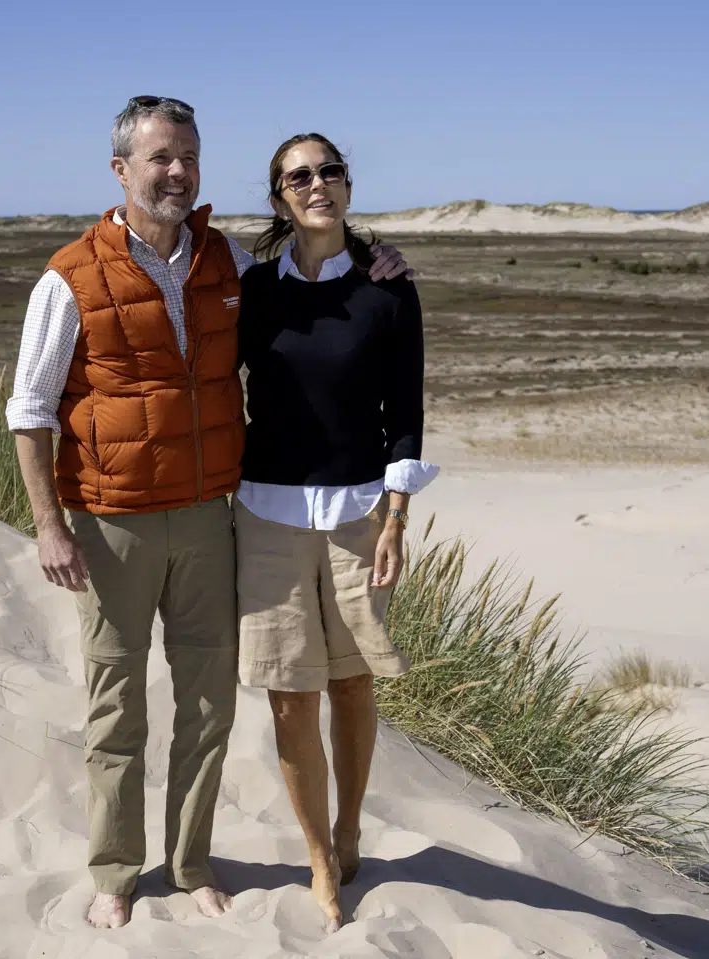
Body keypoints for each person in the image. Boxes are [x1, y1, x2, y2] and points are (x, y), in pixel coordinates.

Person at [5, 98, 408, 930]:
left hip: (209, 516)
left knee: (208, 704)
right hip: (112, 520)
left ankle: (190, 863)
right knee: (118, 703)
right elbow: (29, 407)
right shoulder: (69, 273)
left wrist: (378, 258)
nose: (177, 170)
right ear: (121, 170)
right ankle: (116, 873)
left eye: (187, 155)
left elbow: (319, 281)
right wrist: (48, 523)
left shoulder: (223, 264)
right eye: (159, 157)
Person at [234, 133, 437, 932]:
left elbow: (407, 417)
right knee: (291, 697)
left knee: (353, 684)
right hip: (267, 513)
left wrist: (397, 517)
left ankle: (351, 826)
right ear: (279, 196)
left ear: (347, 184)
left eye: (329, 171)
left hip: (359, 516)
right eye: (298, 176)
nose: (316, 184)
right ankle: (320, 858)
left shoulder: (390, 289)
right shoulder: (254, 291)